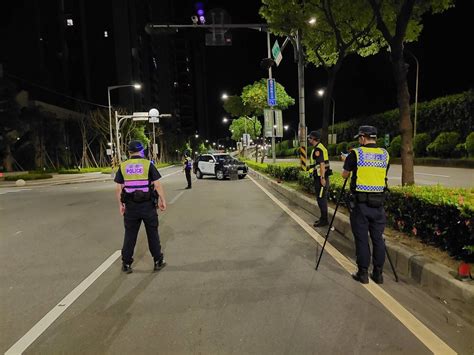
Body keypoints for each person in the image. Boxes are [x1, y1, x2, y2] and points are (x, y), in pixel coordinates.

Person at [342, 126, 390, 284]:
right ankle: (378, 274)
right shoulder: (385, 154)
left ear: (363, 138)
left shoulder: (356, 153)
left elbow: (345, 174)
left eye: (359, 138)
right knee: (378, 238)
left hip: (361, 205)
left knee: (362, 239)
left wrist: (347, 163)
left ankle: (363, 273)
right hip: (379, 204)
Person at [114, 140, 167, 273]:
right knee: (152, 233)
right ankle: (157, 261)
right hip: (148, 205)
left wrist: (121, 204)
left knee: (130, 234)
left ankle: (126, 264)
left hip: (131, 206)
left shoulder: (123, 166)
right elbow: (157, 184)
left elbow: (119, 188)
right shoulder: (148, 164)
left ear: (129, 152)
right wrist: (162, 200)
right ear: (141, 151)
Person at [307, 130, 331, 227]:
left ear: (314, 139)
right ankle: (322, 218)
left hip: (321, 179)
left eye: (310, 138)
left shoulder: (318, 150)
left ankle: (324, 220)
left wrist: (322, 178)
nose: (309, 139)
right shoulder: (318, 148)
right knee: (320, 199)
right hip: (320, 177)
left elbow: (322, 164)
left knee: (321, 199)